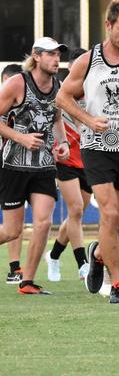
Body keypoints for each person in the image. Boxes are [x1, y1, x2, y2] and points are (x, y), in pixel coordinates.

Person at [56, 0, 119, 304]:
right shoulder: (88, 61)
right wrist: (88, 120)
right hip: (96, 146)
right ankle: (117, 283)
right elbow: (63, 97)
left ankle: (99, 254)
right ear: (108, 25)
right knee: (110, 213)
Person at [0, 37, 70, 294]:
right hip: (13, 165)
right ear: (37, 56)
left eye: (58, 55)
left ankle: (27, 282)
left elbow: (57, 118)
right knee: (11, 231)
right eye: (51, 54)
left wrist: (63, 143)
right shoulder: (17, 83)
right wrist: (21, 137)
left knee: (43, 222)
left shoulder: (58, 86)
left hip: (44, 166)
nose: (56, 59)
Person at [44, 48, 92, 282]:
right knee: (75, 210)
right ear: (71, 67)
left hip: (90, 159)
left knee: (77, 214)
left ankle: (53, 256)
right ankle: (83, 264)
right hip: (64, 158)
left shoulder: (94, 91)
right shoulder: (59, 92)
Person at [1, 63, 24, 284]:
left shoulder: (20, 107)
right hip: (6, 165)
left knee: (13, 225)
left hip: (12, 167)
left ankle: (15, 268)